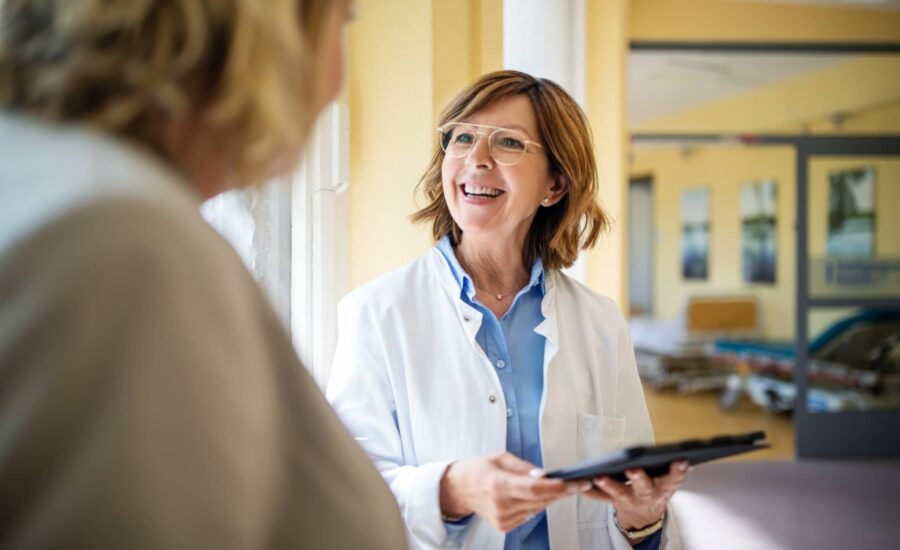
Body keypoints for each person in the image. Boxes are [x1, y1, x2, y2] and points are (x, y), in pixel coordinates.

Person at [0, 1, 407, 549]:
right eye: (342, 22)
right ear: (266, 37)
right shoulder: (123, 242)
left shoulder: (56, 185)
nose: (337, 80)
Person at [327, 70, 688, 549]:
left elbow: (632, 502)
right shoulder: (375, 314)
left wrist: (641, 520)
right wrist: (451, 489)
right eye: (462, 137)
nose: (476, 159)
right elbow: (345, 497)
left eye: (509, 144)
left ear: (554, 185)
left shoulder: (600, 324)